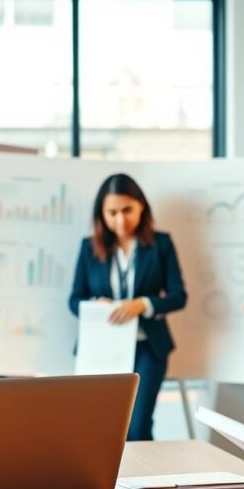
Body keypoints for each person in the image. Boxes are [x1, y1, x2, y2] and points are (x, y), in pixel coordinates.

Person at [68, 173, 186, 441]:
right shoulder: (89, 247)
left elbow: (179, 296)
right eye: (112, 213)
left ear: (141, 206)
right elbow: (74, 300)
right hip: (102, 350)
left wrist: (142, 304)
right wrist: (94, 306)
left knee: (138, 425)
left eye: (127, 210)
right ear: (101, 213)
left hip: (148, 348)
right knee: (102, 426)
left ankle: (140, 482)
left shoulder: (161, 244)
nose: (120, 220)